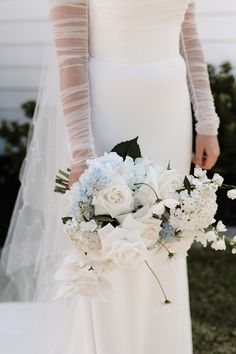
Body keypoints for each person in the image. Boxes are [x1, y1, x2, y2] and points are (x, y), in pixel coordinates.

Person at [0, 1, 220, 353]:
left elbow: (187, 33)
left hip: (170, 111)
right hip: (110, 110)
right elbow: (70, 59)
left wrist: (207, 121)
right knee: (109, 244)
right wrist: (81, 153)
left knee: (167, 238)